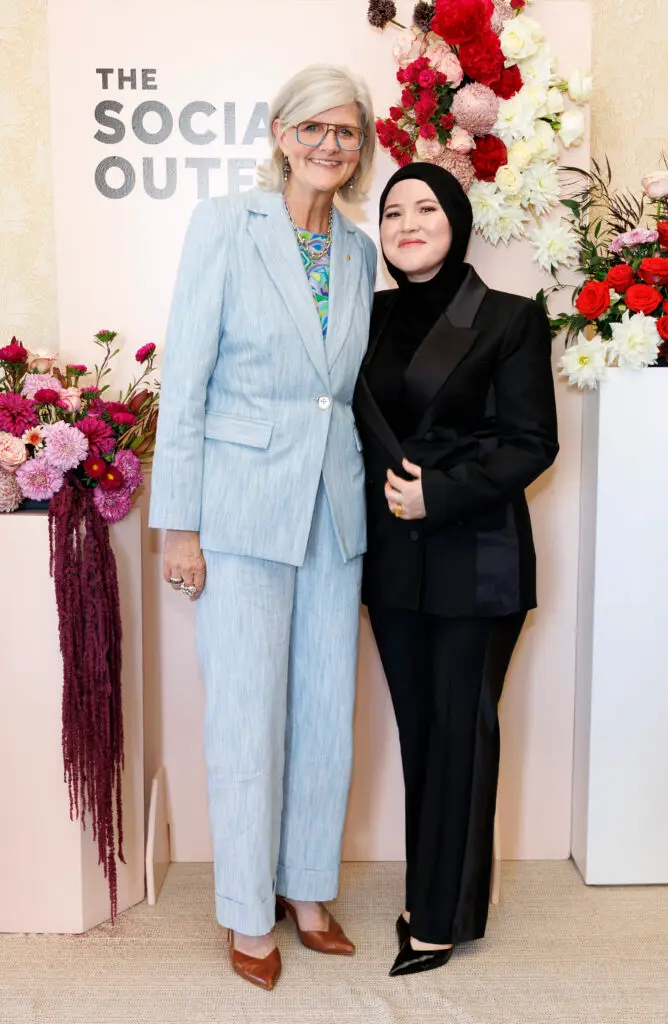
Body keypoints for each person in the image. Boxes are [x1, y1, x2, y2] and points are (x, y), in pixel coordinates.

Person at [149, 64, 377, 991]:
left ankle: (307, 888)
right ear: (281, 135)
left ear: (361, 147)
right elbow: (186, 379)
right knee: (245, 715)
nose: (329, 144)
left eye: (346, 131)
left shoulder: (360, 250)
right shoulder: (224, 224)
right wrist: (179, 525)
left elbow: (344, 389)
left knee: (325, 713)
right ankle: (247, 908)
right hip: (240, 507)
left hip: (334, 505)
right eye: (312, 127)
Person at [354, 163, 559, 977]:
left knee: (460, 734)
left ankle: (440, 918)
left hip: (476, 556)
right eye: (392, 212)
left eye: (426, 208)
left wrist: (437, 494)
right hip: (391, 560)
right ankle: (431, 890)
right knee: (420, 733)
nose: (407, 223)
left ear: (457, 221)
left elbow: (532, 441)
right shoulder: (364, 317)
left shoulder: (509, 317)